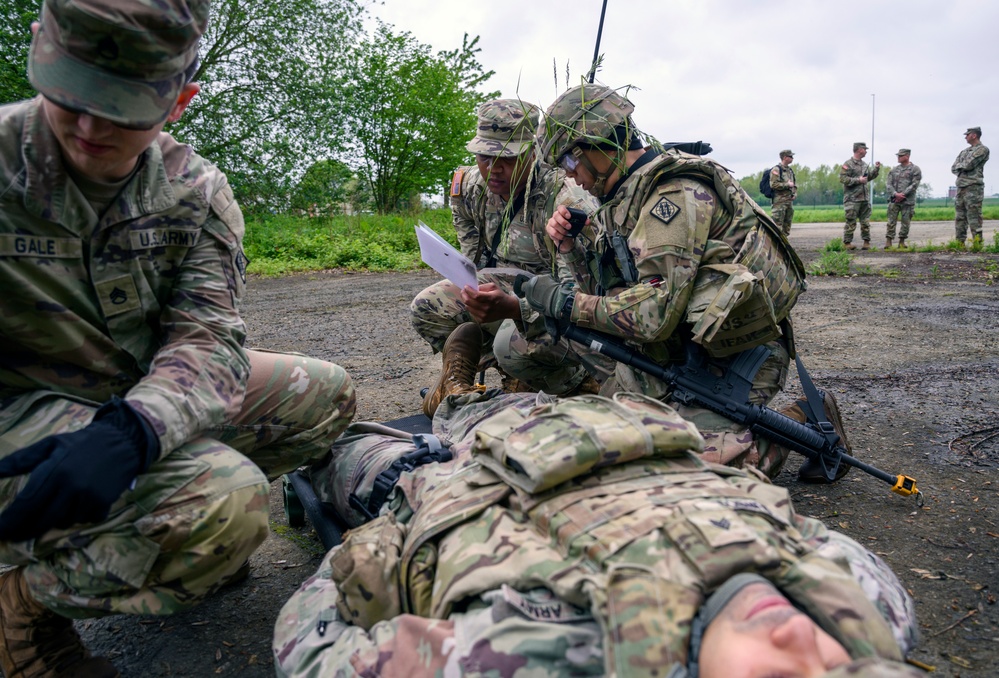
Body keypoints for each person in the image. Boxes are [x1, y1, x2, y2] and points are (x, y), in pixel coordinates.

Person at [0, 1, 356, 675]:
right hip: (16, 411)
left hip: (131, 397)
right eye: (69, 94)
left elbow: (208, 339)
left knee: (325, 396)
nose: (86, 124)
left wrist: (136, 431)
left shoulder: (195, 190)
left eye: (119, 106)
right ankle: (21, 602)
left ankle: (155, 532)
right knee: (224, 505)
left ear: (180, 102)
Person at [273, 344, 921, 678]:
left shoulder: (513, 656)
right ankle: (478, 387)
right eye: (841, 666)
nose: (801, 639)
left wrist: (370, 553)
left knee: (342, 447)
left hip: (459, 476)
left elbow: (308, 641)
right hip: (632, 437)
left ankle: (459, 388)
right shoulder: (868, 600)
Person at [519, 84, 828, 482]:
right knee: (617, 443)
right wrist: (569, 248)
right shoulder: (618, 200)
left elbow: (652, 316)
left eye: (568, 158)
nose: (568, 173)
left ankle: (805, 418)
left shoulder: (674, 195)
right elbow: (608, 299)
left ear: (596, 147)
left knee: (692, 472)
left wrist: (566, 304)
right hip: (671, 352)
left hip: (730, 358)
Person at [411, 99, 606, 413]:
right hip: (504, 288)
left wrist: (515, 310)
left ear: (533, 152)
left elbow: (580, 295)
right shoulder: (470, 187)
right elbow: (471, 262)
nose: (493, 168)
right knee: (428, 306)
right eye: (484, 156)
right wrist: (475, 292)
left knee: (510, 343)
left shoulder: (565, 196)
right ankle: (458, 384)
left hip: (552, 299)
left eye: (507, 157)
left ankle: (567, 379)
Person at [950, 126, 990, 246]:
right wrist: (961, 166)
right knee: (960, 217)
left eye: (967, 135)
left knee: (974, 216)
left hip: (973, 187)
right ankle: (959, 243)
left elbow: (969, 165)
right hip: (961, 187)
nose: (965, 137)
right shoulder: (964, 151)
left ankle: (977, 244)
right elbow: (953, 168)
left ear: (974, 135)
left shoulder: (982, 149)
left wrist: (961, 166)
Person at [839, 142, 881, 250]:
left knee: (865, 222)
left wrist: (876, 169)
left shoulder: (864, 164)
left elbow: (868, 178)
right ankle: (847, 243)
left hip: (864, 198)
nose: (866, 151)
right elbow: (843, 179)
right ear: (859, 150)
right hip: (852, 199)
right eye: (864, 149)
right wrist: (858, 180)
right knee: (851, 221)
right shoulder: (848, 164)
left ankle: (866, 242)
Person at [884, 149, 922, 249]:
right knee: (891, 221)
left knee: (906, 222)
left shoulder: (915, 169)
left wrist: (903, 194)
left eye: (901, 156)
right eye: (898, 155)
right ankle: (889, 241)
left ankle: (902, 241)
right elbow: (888, 184)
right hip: (894, 200)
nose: (898, 157)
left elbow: (915, 184)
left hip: (907, 201)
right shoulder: (894, 170)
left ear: (907, 156)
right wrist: (895, 194)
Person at [770, 149, 797, 235]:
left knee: (787, 226)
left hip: (788, 202)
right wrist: (787, 185)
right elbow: (773, 184)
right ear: (785, 157)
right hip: (779, 203)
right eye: (790, 156)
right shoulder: (777, 170)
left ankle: (784, 245)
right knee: (777, 226)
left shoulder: (790, 170)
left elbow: (794, 184)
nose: (792, 158)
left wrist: (794, 193)